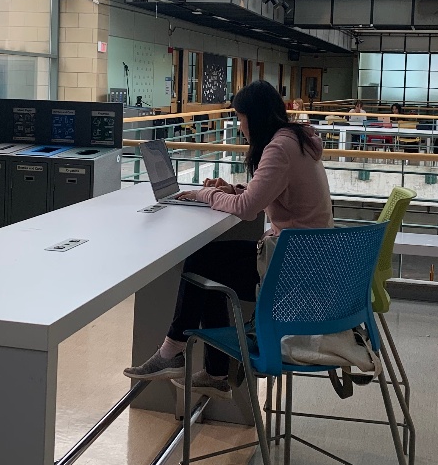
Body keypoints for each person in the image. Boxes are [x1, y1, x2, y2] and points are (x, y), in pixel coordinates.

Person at [124, 80, 333, 398]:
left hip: (289, 271)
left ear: (256, 117)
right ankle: (215, 370)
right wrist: (229, 190)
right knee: (210, 260)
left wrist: (204, 194)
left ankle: (174, 354)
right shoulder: (295, 141)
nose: (240, 125)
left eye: (241, 117)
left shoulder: (279, 147)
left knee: (201, 262)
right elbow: (259, 196)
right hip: (306, 260)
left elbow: (248, 210)